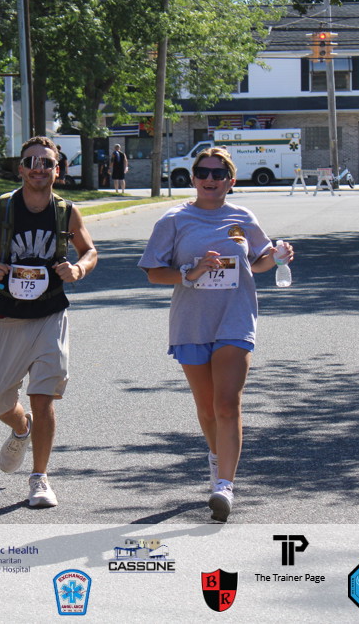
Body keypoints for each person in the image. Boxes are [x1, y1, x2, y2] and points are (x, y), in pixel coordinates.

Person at [137, 147, 293, 522]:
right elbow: (154, 272)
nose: (210, 179)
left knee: (227, 404)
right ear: (193, 178)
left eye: (218, 174)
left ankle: (224, 486)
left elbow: (258, 261)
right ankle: (216, 456)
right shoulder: (174, 220)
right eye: (203, 172)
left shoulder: (243, 217)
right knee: (207, 409)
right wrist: (191, 273)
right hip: (192, 322)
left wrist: (278, 256)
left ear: (230, 181)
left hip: (235, 318)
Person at [0, 136, 97, 508]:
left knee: (44, 396)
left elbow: (89, 250)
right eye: (31, 162)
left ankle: (40, 478)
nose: (39, 168)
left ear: (57, 170)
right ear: (20, 169)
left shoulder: (66, 212)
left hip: (51, 314)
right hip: (7, 317)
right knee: (1, 402)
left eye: (46, 162)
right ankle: (22, 427)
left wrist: (79, 269)